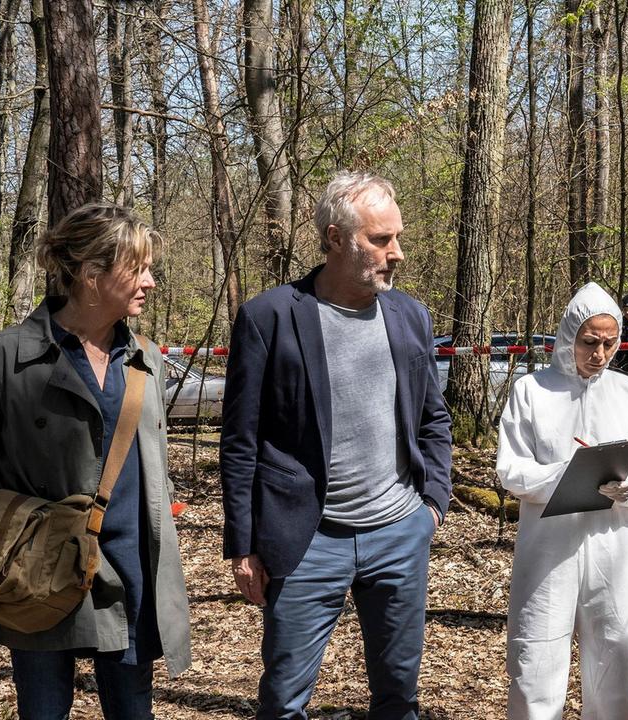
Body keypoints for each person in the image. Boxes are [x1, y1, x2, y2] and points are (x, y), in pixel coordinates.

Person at [0, 203, 192, 719]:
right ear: (90, 275)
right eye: (139, 268)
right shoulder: (1, 357)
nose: (151, 281)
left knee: (133, 710)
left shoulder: (146, 358)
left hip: (132, 570)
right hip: (34, 572)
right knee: (43, 711)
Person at [220, 170, 452, 720]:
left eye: (396, 237)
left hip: (399, 534)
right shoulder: (269, 317)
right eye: (379, 239)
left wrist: (432, 505)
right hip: (305, 539)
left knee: (398, 697)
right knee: (282, 701)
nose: (395, 253)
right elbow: (241, 440)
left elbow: (432, 417)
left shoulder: (410, 316)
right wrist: (242, 542)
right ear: (334, 238)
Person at [497, 282, 628, 720]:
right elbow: (511, 467)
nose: (599, 353)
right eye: (589, 342)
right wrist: (561, 476)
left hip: (613, 540)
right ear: (568, 337)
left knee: (615, 649)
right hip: (549, 543)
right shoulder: (533, 392)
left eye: (609, 343)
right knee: (536, 653)